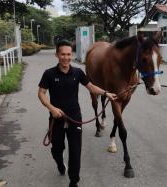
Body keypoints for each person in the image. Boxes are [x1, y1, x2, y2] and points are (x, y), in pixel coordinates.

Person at [38, 40, 117, 187]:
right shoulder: (49, 74)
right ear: (57, 55)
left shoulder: (78, 72)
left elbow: (91, 87)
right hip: (56, 118)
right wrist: (52, 108)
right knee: (56, 149)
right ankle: (60, 164)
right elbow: (41, 93)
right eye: (63, 54)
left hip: (75, 117)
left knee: (75, 151)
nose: (66, 57)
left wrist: (106, 93)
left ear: (71, 54)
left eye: (68, 54)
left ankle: (74, 181)